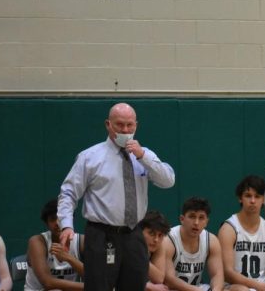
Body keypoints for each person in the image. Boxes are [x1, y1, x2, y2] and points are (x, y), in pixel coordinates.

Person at [58, 102, 176, 291]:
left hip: (134, 233)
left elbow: (168, 180)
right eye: (119, 125)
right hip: (101, 234)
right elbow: (69, 192)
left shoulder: (144, 155)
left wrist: (142, 155)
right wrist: (66, 225)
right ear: (108, 125)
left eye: (130, 125)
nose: (125, 130)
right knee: (99, 287)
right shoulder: (90, 157)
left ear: (136, 125)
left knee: (135, 285)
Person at [218, 175, 265, 291]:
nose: (253, 201)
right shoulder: (229, 229)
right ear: (240, 198)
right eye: (248, 196)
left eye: (257, 196)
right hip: (233, 286)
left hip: (262, 285)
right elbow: (227, 273)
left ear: (264, 199)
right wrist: (257, 286)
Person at [162, 197, 224, 290]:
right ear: (182, 219)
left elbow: (217, 275)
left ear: (207, 222)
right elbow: (169, 280)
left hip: (197, 288)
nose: (196, 222)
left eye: (201, 218)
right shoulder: (168, 240)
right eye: (192, 216)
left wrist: (215, 289)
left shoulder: (211, 241)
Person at [24, 198, 84, 291]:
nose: (57, 223)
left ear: (70, 219)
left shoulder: (81, 241)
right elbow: (48, 283)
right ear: (47, 223)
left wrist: (69, 258)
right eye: (52, 219)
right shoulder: (37, 242)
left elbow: (93, 278)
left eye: (60, 218)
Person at [140, 210, 170, 291]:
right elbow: (122, 281)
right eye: (151, 233)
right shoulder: (129, 246)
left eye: (160, 235)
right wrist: (149, 286)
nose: (156, 239)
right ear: (139, 232)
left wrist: (141, 255)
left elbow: (158, 278)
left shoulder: (159, 244)